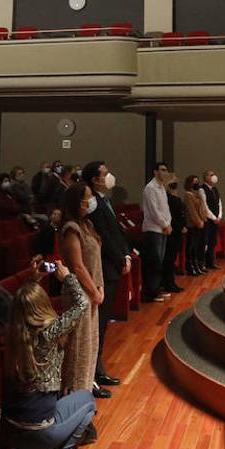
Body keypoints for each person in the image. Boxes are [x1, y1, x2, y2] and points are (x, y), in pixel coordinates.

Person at [4, 262, 96, 449]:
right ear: (42, 305)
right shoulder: (49, 332)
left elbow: (21, 305)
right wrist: (66, 278)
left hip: (11, 430)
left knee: (71, 400)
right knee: (89, 402)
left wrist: (33, 281)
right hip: (40, 432)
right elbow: (82, 303)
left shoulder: (13, 333)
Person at [80, 162, 129, 392]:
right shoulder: (94, 205)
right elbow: (106, 237)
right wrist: (121, 260)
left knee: (103, 323)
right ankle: (92, 375)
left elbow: (117, 232)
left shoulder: (105, 200)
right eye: (104, 173)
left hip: (113, 267)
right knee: (97, 324)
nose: (109, 176)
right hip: (105, 269)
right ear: (94, 179)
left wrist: (127, 254)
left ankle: (98, 370)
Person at [57, 183, 102, 398]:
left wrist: (98, 289)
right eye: (88, 198)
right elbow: (77, 266)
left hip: (92, 294)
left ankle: (84, 395)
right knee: (78, 350)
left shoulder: (87, 225)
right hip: (79, 295)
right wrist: (94, 291)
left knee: (90, 346)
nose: (91, 202)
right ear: (77, 202)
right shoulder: (71, 229)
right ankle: (74, 397)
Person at [140, 162, 173, 302]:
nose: (165, 172)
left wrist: (168, 223)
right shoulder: (150, 188)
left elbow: (165, 208)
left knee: (160, 261)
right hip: (153, 230)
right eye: (162, 170)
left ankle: (157, 288)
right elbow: (154, 211)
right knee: (154, 262)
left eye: (166, 170)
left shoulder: (161, 188)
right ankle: (151, 292)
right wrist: (165, 224)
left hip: (163, 229)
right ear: (155, 172)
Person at [183, 175, 215, 276]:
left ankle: (196, 265)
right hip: (192, 224)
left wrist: (203, 220)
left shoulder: (197, 194)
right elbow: (191, 211)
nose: (196, 183)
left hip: (200, 223)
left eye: (197, 181)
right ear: (190, 183)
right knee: (191, 246)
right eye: (194, 182)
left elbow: (202, 208)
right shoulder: (188, 195)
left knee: (197, 246)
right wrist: (199, 222)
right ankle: (190, 266)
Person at [162, 179, 187, 291]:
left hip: (175, 232)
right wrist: (181, 227)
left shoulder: (173, 198)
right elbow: (171, 217)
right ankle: (169, 284)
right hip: (173, 232)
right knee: (169, 260)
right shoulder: (169, 199)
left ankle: (169, 282)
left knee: (170, 259)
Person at [200, 170, 223, 268]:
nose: (214, 176)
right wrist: (213, 217)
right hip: (208, 220)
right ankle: (202, 263)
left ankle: (211, 262)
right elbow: (205, 207)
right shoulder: (202, 190)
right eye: (211, 175)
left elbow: (219, 203)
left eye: (214, 174)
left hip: (215, 220)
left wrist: (219, 216)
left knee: (213, 242)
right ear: (206, 177)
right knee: (205, 241)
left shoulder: (215, 189)